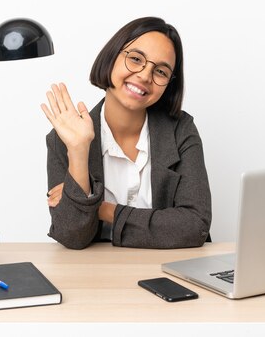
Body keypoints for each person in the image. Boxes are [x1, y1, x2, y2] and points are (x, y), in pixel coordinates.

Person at [41, 17, 211, 249]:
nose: (144, 76)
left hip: (169, 271)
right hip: (96, 275)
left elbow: (194, 226)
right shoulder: (65, 137)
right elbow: (72, 236)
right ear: (112, 58)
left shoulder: (180, 130)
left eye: (160, 71)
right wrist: (79, 152)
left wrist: (102, 209)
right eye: (135, 59)